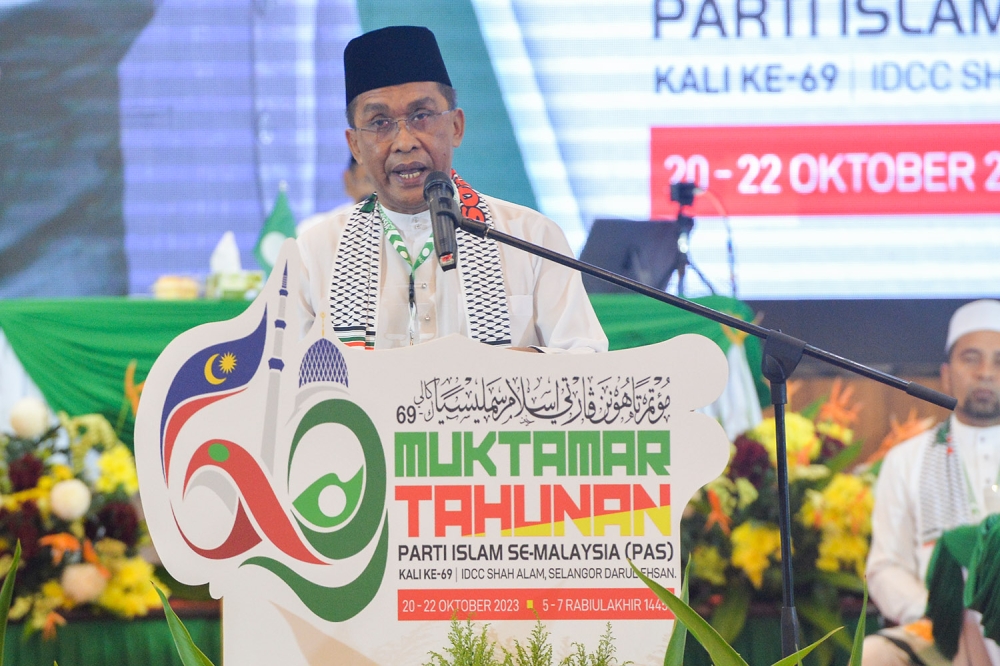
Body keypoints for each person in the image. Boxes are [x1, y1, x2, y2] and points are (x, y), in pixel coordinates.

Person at [296, 25, 607, 353]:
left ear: (456, 126)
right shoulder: (315, 253)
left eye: (422, 116)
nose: (404, 142)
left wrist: (485, 370)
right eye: (379, 123)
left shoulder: (531, 239)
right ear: (356, 146)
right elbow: (282, 379)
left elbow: (586, 363)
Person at [865, 299, 1000, 664]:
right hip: (937, 630)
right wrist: (941, 611)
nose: (986, 372)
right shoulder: (907, 459)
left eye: (999, 360)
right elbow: (885, 566)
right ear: (946, 373)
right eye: (971, 358)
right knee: (876, 655)